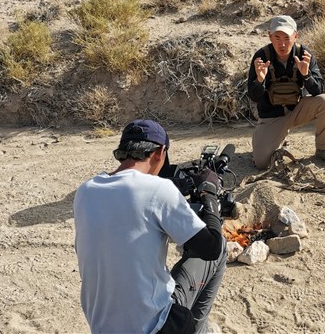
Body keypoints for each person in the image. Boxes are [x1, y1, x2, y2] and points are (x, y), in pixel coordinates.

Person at [74, 119, 226, 334]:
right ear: (160, 152)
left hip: (102, 327)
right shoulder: (159, 190)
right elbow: (210, 248)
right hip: (156, 327)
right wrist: (209, 194)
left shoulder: (85, 191)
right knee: (221, 248)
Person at [246, 15, 325, 169]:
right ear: (269, 36)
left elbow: (318, 90)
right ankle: (270, 138)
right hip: (272, 116)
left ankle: (323, 149)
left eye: (287, 37)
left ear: (296, 36)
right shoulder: (261, 57)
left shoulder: (304, 54)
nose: (282, 43)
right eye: (277, 37)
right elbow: (253, 96)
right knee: (262, 163)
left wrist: (306, 75)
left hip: (297, 110)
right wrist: (259, 80)